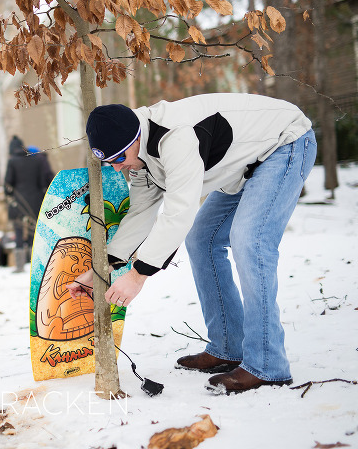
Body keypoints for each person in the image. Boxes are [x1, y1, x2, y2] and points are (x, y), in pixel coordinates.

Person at [67, 93, 315, 394]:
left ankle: (268, 365)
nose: (118, 168)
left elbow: (178, 213)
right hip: (239, 168)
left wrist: (138, 276)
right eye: (109, 162)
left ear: (136, 137)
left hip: (283, 144)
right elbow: (141, 214)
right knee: (202, 240)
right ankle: (227, 346)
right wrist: (101, 269)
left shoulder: (176, 137)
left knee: (250, 241)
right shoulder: (141, 158)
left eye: (119, 158)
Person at [4, 136, 53, 272]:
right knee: (33, 232)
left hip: (18, 203)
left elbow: (8, 183)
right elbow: (43, 181)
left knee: (18, 231)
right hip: (35, 201)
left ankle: (19, 266)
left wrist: (8, 196)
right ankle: (35, 266)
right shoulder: (36, 159)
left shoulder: (12, 161)